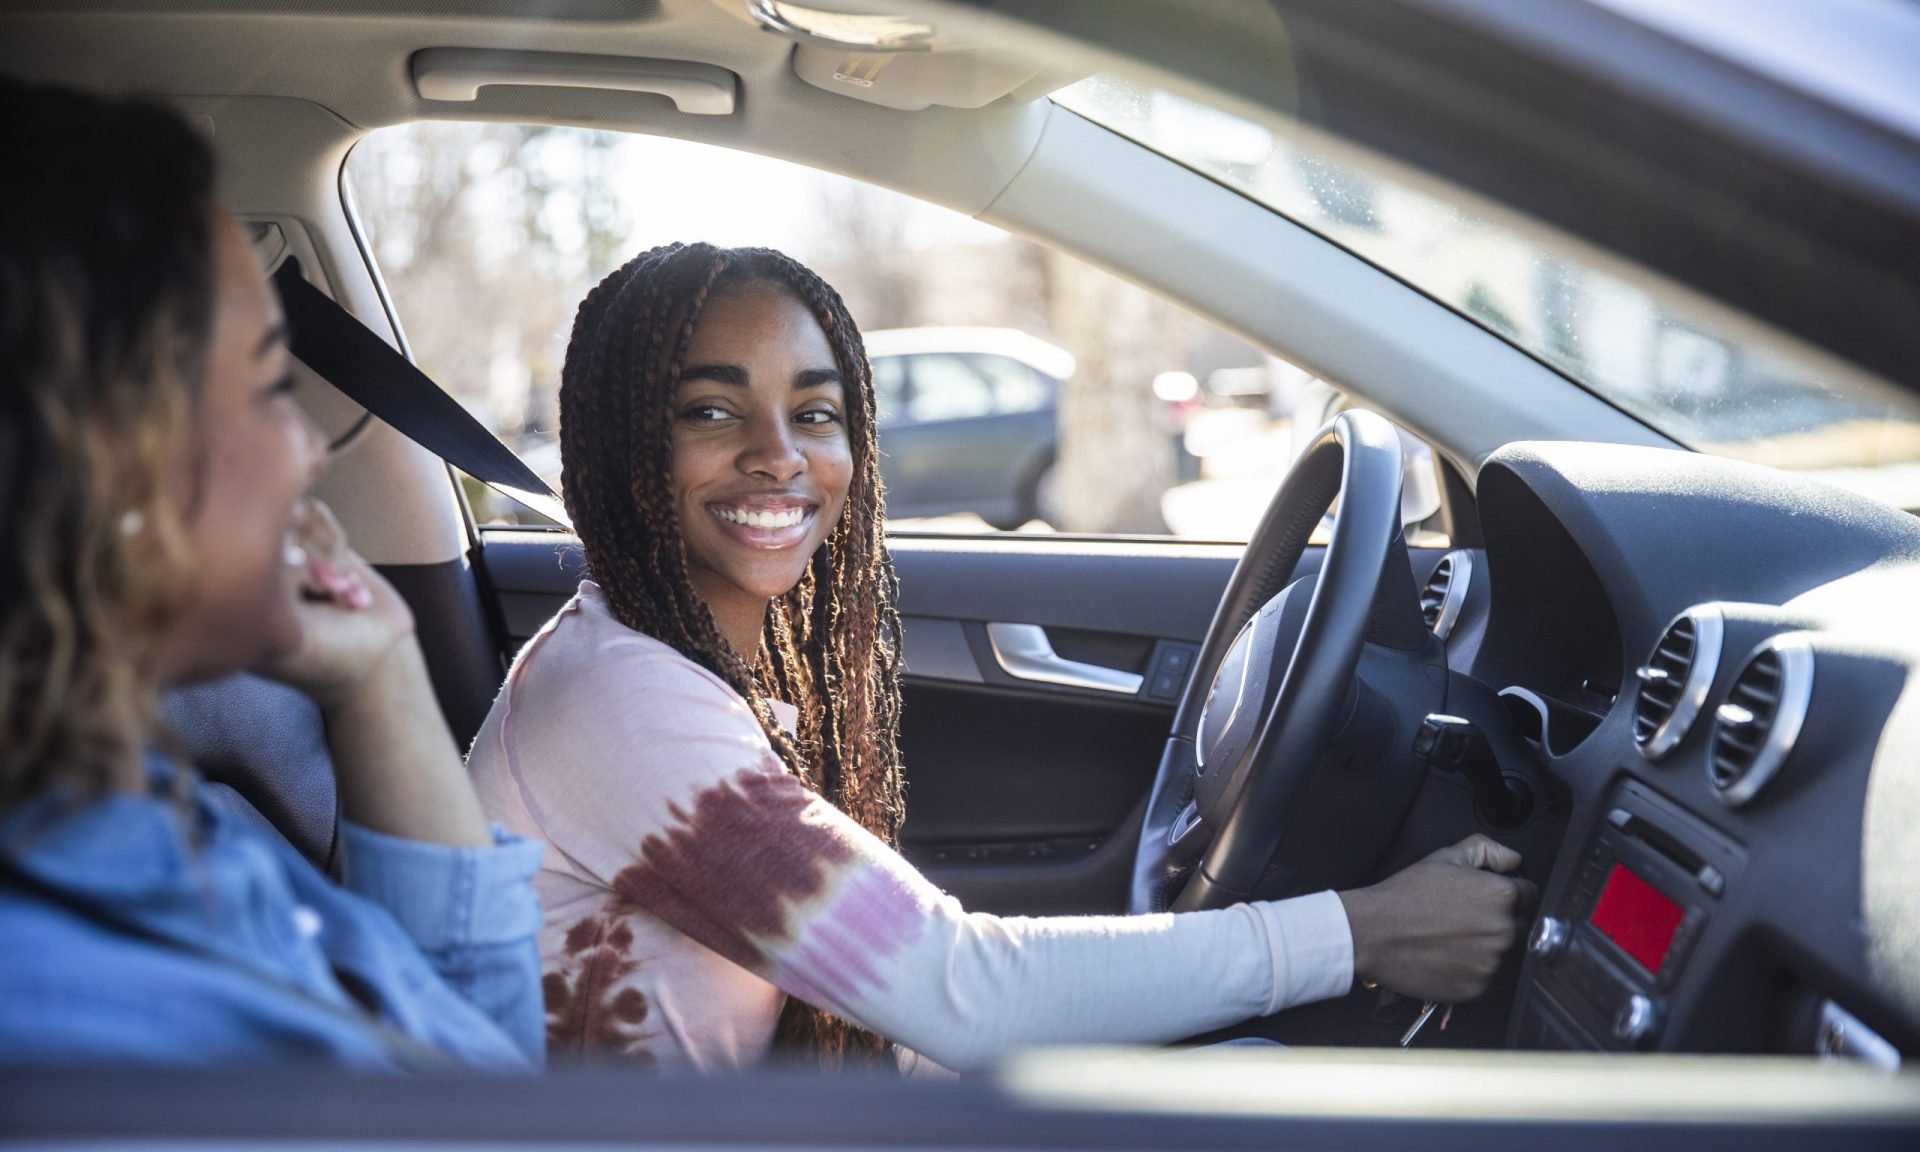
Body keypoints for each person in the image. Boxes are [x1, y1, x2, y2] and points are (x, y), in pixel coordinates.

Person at [466, 242, 1537, 1074]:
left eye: (815, 413)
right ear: (620, 440)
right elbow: (958, 989)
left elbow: (913, 1014)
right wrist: (1362, 934)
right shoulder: (619, 701)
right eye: (711, 410)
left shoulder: (660, 663)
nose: (780, 456)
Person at [0, 78, 544, 1070]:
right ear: (103, 463)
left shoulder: (150, 811)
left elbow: (471, 1066)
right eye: (266, 389)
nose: (306, 450)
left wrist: (377, 668)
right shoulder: (86, 1031)